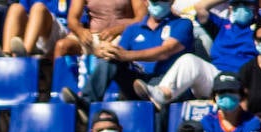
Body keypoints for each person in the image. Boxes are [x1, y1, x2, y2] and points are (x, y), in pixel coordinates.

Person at [130, 0, 261, 108]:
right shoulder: (223, 25)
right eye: (237, 4)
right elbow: (200, 8)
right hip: (217, 78)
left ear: (254, 7)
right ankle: (162, 94)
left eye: (246, 4)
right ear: (230, 7)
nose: (242, 8)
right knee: (189, 60)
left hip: (246, 80)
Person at [59, 0, 193, 106]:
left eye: (163, 0)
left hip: (165, 83)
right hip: (137, 82)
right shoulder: (133, 29)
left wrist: (126, 55)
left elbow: (166, 51)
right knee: (111, 59)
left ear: (172, 1)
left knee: (158, 100)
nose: (158, 3)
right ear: (146, 1)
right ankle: (86, 102)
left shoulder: (182, 24)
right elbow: (119, 53)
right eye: (154, 0)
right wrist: (104, 52)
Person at [1, 0, 69, 57]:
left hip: (60, 31)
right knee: (15, 8)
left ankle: (25, 54)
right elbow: (23, 12)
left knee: (38, 8)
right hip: (34, 30)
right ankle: (6, 55)